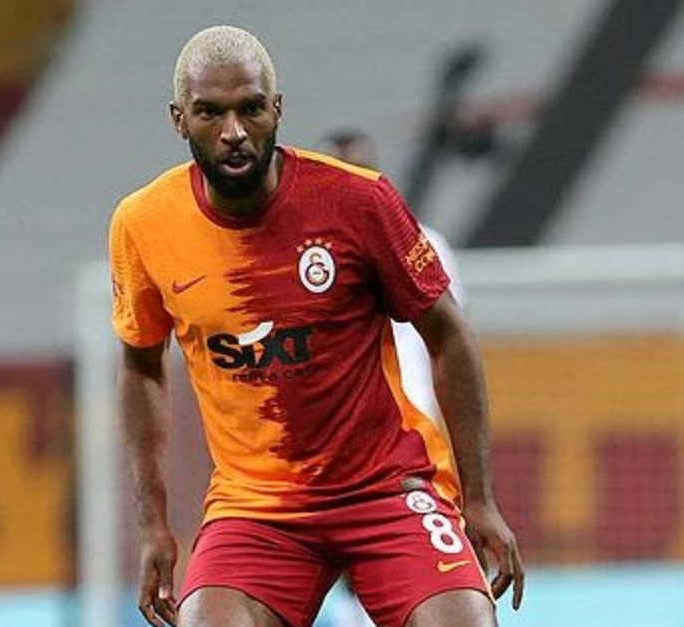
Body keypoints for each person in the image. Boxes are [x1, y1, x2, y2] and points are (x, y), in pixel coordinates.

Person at [109, 25, 523, 627]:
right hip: (256, 508)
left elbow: (449, 335)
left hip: (386, 488)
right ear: (179, 119)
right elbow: (140, 366)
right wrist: (153, 525)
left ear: (277, 109)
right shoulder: (143, 224)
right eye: (210, 113)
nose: (233, 131)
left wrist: (479, 499)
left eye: (251, 109)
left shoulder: (358, 201)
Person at [314, 130, 466, 627]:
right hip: (333, 436)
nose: (349, 181)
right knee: (347, 566)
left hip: (410, 429)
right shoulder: (299, 253)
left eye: (359, 169)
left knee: (419, 559)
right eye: (337, 170)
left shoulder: (422, 243)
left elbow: (449, 343)